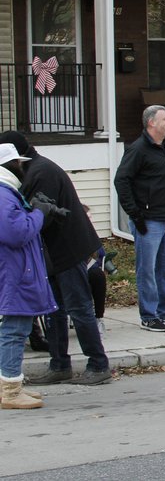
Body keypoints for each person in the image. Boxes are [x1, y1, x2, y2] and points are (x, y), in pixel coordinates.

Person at [0, 131, 111, 385]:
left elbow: (40, 214)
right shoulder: (33, 170)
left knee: (79, 308)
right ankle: (59, 365)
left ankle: (98, 364)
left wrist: (34, 216)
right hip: (50, 253)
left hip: (68, 248)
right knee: (55, 311)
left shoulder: (41, 172)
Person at [114, 106, 165, 333]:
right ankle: (148, 316)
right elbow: (121, 181)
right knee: (146, 270)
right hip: (147, 221)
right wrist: (134, 214)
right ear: (151, 123)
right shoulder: (138, 150)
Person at [0, 143, 59, 409]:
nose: (23, 167)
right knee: (14, 331)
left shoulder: (8, 193)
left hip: (14, 273)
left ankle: (10, 387)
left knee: (16, 329)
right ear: (9, 166)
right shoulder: (3, 194)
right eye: (19, 163)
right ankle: (10, 392)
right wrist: (38, 213)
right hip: (13, 275)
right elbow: (16, 233)